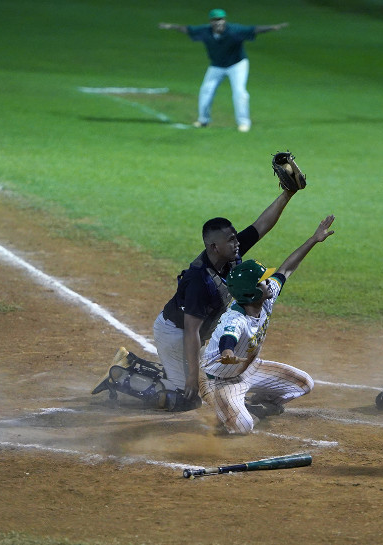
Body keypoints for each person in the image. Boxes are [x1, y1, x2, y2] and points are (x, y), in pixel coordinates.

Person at [93, 186, 301, 411]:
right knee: (188, 398)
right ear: (214, 246)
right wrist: (192, 376)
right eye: (231, 240)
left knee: (212, 379)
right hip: (175, 333)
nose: (237, 243)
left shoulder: (229, 254)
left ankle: (136, 363)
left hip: (197, 334)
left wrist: (287, 194)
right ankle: (121, 376)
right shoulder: (199, 280)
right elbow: (191, 331)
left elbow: (261, 225)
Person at [200, 215, 335, 434]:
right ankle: (226, 407)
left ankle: (255, 403)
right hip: (220, 382)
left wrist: (313, 239)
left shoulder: (265, 297)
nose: (268, 283)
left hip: (250, 369)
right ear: (251, 292)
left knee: (304, 384)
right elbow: (229, 336)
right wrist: (226, 352)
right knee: (243, 427)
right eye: (263, 281)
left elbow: (287, 268)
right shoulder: (235, 318)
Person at [158, 9, 288, 131]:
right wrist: (170, 26)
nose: (218, 22)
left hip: (237, 64)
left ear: (224, 20)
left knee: (240, 92)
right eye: (215, 20)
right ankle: (203, 120)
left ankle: (243, 123)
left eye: (221, 19)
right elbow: (187, 29)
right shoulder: (205, 31)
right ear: (211, 22)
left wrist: (273, 27)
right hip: (217, 65)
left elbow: (254, 30)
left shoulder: (234, 30)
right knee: (206, 91)